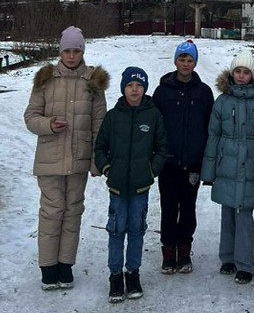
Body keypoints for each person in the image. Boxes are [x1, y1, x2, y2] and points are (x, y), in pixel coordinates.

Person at [24, 26, 109, 291]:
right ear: (60, 52)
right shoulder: (45, 79)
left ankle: (65, 265)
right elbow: (31, 117)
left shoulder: (93, 82)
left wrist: (96, 161)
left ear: (82, 52)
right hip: (49, 159)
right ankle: (48, 267)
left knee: (73, 212)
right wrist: (48, 124)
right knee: (52, 212)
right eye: (67, 51)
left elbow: (100, 125)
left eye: (76, 51)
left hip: (79, 160)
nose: (72, 56)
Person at [94, 66, 168, 303]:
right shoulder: (113, 116)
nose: (134, 90)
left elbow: (162, 148)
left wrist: (151, 170)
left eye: (139, 85)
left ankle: (133, 273)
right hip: (117, 187)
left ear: (144, 88)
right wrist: (107, 168)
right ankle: (115, 275)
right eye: (129, 85)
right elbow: (100, 147)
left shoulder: (153, 115)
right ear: (123, 88)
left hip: (140, 187)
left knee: (136, 230)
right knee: (116, 230)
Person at [201, 50, 254, 285]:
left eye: (246, 72)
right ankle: (228, 257)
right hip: (227, 165)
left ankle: (246, 263)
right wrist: (209, 171)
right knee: (228, 211)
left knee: (244, 213)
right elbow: (213, 136)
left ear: (252, 75)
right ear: (232, 73)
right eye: (238, 71)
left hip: (250, 165)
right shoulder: (222, 101)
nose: (241, 76)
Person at [153, 39, 214, 274]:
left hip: (193, 162)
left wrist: (206, 156)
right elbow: (155, 125)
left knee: (188, 207)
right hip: (168, 161)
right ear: (175, 61)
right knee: (169, 206)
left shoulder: (204, 92)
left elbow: (210, 126)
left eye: (190, 60)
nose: (186, 64)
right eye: (182, 59)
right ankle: (169, 251)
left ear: (195, 63)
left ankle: (185, 249)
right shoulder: (162, 91)